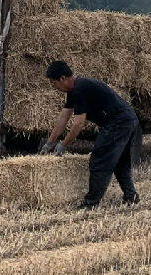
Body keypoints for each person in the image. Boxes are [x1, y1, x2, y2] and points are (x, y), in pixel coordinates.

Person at [39, 60, 142, 209]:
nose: (54, 86)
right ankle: (131, 196)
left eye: (54, 83)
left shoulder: (80, 89)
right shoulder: (74, 89)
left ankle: (90, 203)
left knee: (99, 160)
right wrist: (50, 143)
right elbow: (63, 118)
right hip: (127, 119)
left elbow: (78, 123)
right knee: (120, 162)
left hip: (118, 122)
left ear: (63, 78)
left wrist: (63, 145)